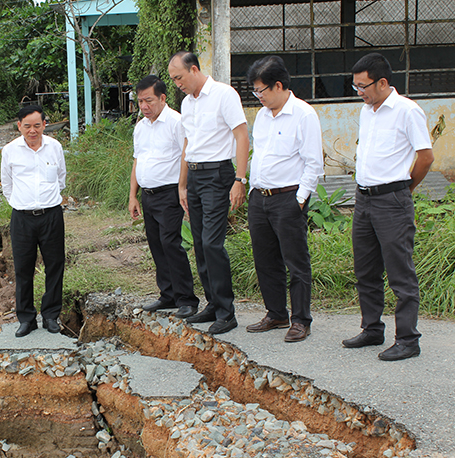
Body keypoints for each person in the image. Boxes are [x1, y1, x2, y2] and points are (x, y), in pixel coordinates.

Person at [342, 52, 434, 361]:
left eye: (363, 86)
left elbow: (425, 157)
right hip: (364, 198)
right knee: (365, 269)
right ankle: (372, 328)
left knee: (399, 272)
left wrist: (404, 189)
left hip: (392, 199)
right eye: (355, 87)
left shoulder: (407, 111)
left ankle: (408, 338)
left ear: (382, 82)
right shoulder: (367, 111)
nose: (360, 92)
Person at [167, 51, 250, 334]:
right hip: (195, 176)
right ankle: (213, 304)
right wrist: (182, 184)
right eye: (173, 79)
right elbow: (188, 144)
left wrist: (240, 178)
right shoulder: (188, 104)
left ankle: (227, 311)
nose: (176, 83)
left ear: (193, 69)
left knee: (213, 243)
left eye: (178, 77)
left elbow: (241, 135)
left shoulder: (224, 95)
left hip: (218, 175)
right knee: (200, 244)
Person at [244, 56, 324, 342]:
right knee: (265, 259)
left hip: (288, 198)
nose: (258, 97)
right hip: (260, 197)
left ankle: (301, 319)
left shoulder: (303, 114)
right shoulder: (264, 115)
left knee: (296, 260)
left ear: (278, 86)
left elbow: (314, 163)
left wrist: (299, 200)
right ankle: (276, 313)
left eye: (261, 91)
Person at [129, 75, 200, 319]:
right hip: (148, 195)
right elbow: (137, 161)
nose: (144, 106)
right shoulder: (140, 127)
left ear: (162, 98)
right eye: (140, 101)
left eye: (148, 100)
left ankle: (187, 299)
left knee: (171, 243)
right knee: (156, 244)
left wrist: (183, 187)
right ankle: (167, 294)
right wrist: (133, 195)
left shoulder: (176, 122)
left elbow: (185, 156)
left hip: (170, 193)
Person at [0, 105, 67, 338]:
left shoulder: (55, 147)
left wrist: (47, 201)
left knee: (55, 265)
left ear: (44, 125)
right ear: (19, 126)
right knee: (23, 268)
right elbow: (6, 186)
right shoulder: (10, 151)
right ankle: (26, 318)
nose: (32, 131)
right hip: (22, 219)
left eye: (37, 126)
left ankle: (51, 316)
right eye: (27, 126)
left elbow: (61, 179)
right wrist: (23, 203)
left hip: (51, 216)